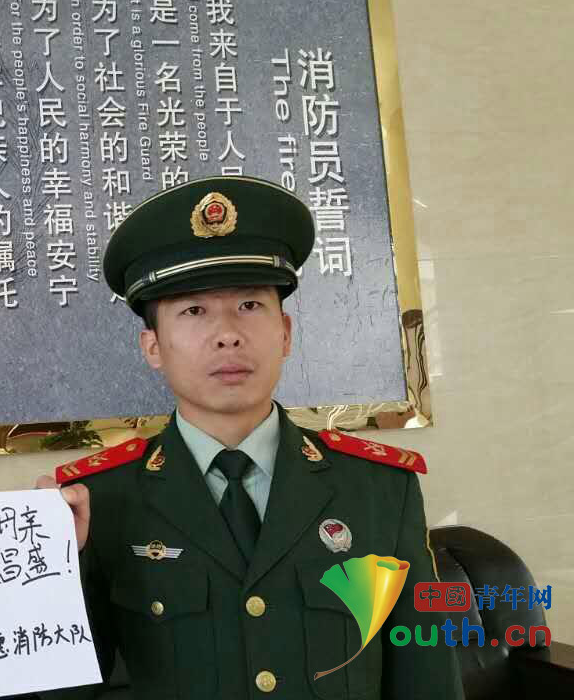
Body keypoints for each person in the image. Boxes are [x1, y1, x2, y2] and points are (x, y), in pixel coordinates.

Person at [40, 177, 463, 699]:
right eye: (194, 310)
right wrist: (53, 570)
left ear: (285, 333)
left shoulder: (380, 488)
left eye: (249, 305)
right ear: (153, 347)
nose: (228, 334)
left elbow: (427, 675)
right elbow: (61, 687)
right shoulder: (97, 501)